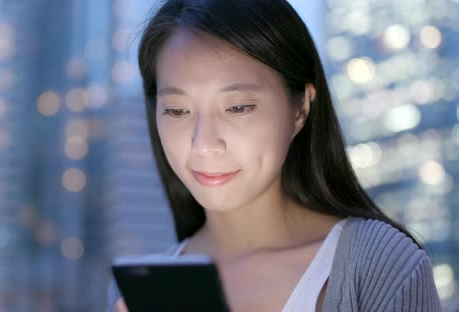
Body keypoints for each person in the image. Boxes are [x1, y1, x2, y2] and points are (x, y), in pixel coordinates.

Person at [107, 0, 443, 311]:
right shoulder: (136, 291)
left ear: (300, 108)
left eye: (238, 107)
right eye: (178, 111)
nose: (204, 143)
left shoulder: (379, 264)